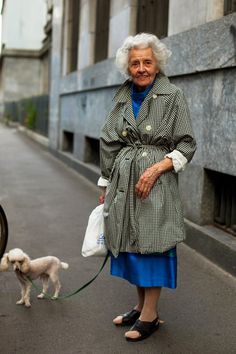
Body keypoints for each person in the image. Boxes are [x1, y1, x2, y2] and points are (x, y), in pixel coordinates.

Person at [98, 33, 196, 342]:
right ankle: (141, 307)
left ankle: (151, 316)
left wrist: (157, 168)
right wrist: (106, 182)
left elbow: (186, 143)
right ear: (128, 67)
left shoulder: (173, 95)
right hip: (124, 179)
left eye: (147, 62)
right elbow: (109, 140)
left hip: (157, 181)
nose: (141, 68)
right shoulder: (122, 95)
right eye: (135, 63)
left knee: (152, 243)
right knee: (131, 243)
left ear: (158, 64)